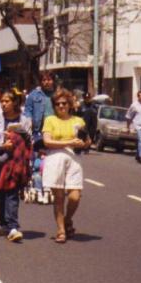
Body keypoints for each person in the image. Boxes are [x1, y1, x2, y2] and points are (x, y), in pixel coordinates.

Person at [42, 88, 91, 243]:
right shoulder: (50, 120)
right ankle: (61, 229)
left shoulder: (78, 121)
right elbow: (47, 141)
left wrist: (83, 143)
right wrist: (68, 142)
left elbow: (88, 141)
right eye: (57, 104)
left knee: (75, 196)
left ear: (70, 104)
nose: (61, 106)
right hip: (55, 158)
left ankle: (67, 218)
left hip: (74, 158)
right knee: (59, 197)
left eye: (64, 103)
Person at [0, 91, 32, 240]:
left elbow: (29, 140)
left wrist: (20, 135)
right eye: (2, 101)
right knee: (1, 192)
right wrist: (2, 145)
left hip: (17, 162)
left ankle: (13, 226)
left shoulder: (24, 120)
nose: (4, 104)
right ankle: (4, 223)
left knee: (12, 193)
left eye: (7, 101)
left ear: (15, 103)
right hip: (0, 160)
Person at [25, 71, 56, 148]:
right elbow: (28, 110)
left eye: (49, 80)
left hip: (54, 130)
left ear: (53, 81)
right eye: (44, 80)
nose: (46, 82)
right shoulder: (33, 94)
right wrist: (29, 121)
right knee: (39, 155)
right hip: (38, 132)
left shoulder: (58, 94)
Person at [127, 90, 141, 163]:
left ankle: (138, 155)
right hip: (138, 126)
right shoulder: (134, 105)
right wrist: (128, 127)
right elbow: (128, 116)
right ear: (138, 97)